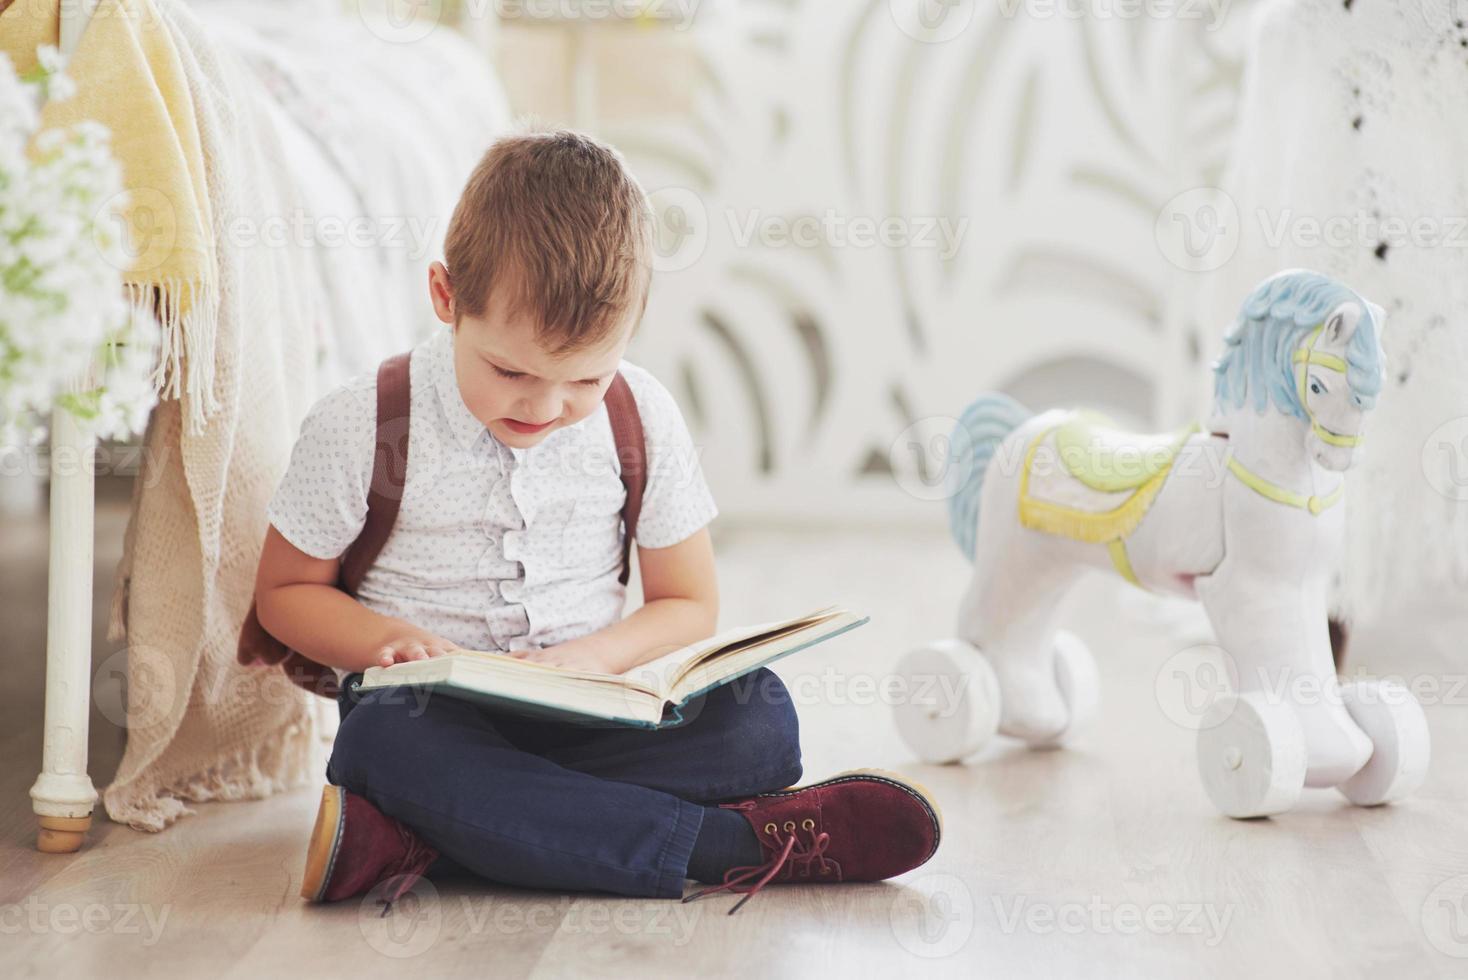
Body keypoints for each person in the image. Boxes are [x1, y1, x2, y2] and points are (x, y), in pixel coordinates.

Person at [253, 130, 941, 914]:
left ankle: (425, 836)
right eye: (510, 371)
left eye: (583, 377)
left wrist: (590, 661)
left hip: (591, 710)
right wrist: (385, 645)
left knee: (762, 722)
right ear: (446, 298)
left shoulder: (641, 413)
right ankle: (736, 846)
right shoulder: (363, 422)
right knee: (379, 745)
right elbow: (283, 594)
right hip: (430, 719)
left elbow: (687, 602)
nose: (544, 408)